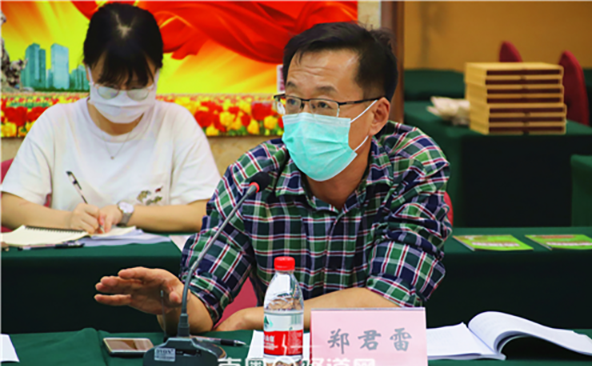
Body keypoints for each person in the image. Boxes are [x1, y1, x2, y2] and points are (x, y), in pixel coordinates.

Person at [95, 22, 451, 333]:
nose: (303, 118)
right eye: (293, 101)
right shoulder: (255, 176)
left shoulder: (411, 164)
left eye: (323, 105)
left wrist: (256, 317)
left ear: (377, 116)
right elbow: (202, 300)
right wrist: (175, 303)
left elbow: (390, 299)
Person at [1, 3, 220, 233]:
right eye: (109, 87)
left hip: (156, 256)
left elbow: (205, 213)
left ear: (156, 73)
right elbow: (9, 207)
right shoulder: (58, 122)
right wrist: (67, 221)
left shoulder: (175, 122)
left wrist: (126, 213)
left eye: (136, 88)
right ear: (88, 70)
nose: (123, 97)